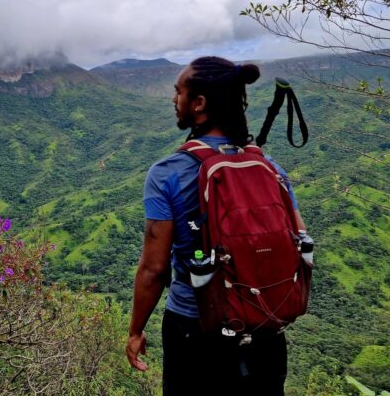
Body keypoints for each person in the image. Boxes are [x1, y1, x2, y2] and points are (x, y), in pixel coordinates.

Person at [125, 56, 306, 395]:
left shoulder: (168, 172)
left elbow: (154, 269)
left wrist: (136, 331)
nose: (173, 99)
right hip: (265, 329)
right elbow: (298, 238)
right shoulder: (268, 166)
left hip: (195, 331)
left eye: (178, 92)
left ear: (199, 103)